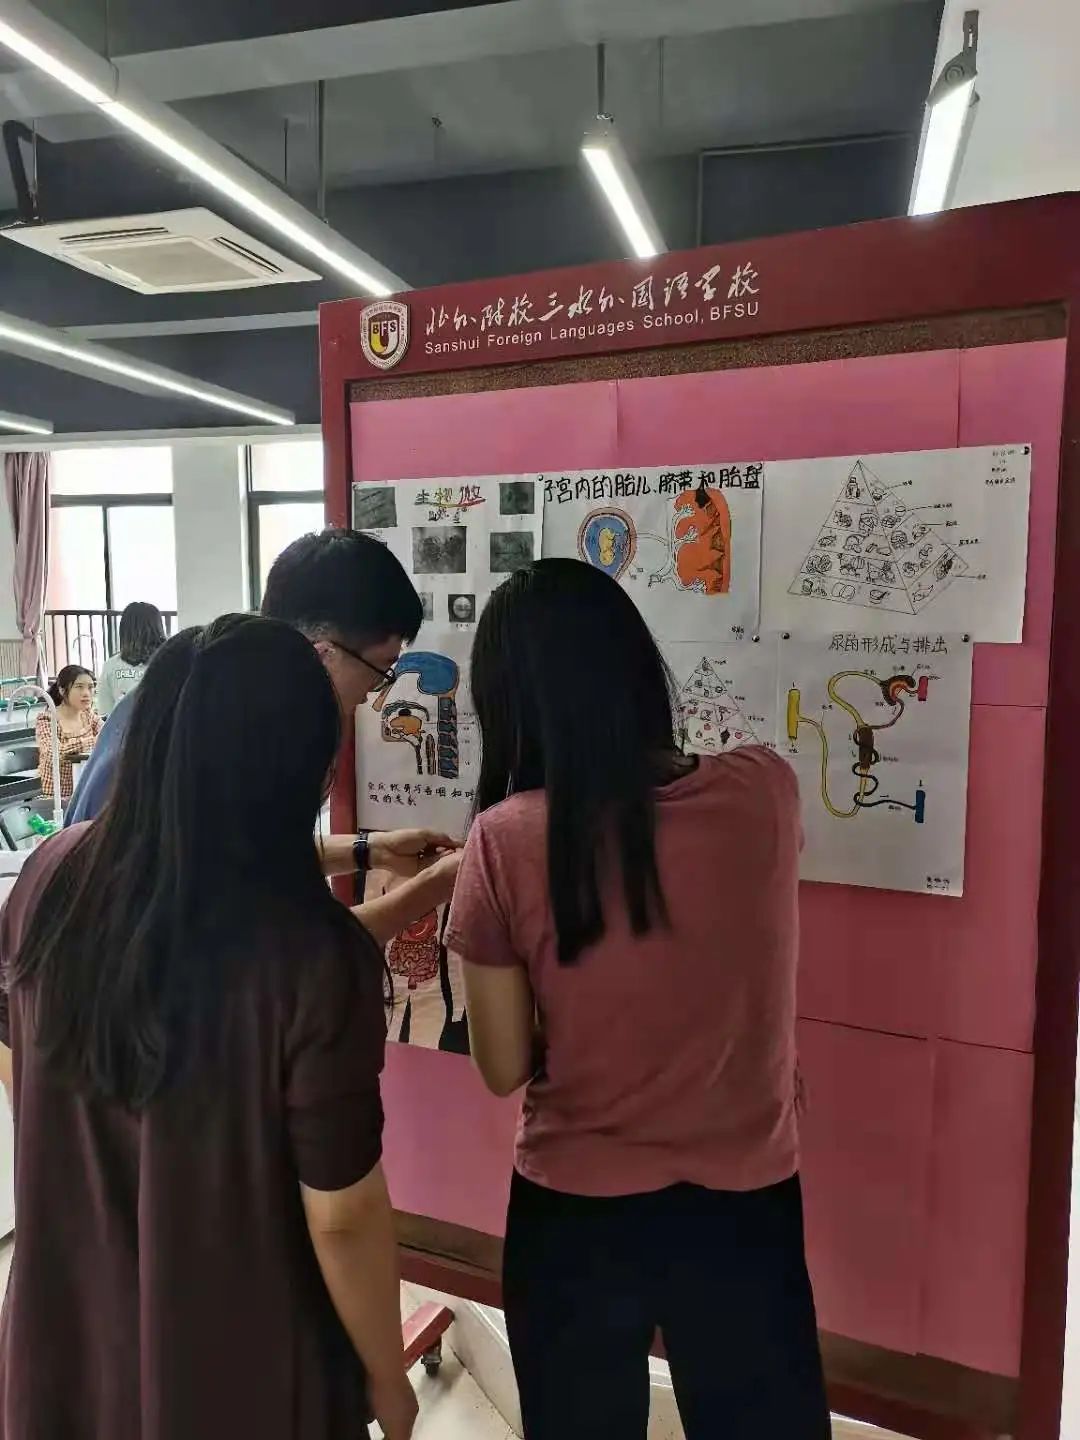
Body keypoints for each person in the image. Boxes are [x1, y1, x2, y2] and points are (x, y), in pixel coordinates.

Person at [0, 616, 427, 1440]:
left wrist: (83, 1142)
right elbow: (341, 1216)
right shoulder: (310, 954)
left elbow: (15, 1038)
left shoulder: (53, 873)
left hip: (68, 1335)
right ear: (301, 763)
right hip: (238, 1361)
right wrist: (386, 1376)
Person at [445, 559, 829, 1440]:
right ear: (635, 667)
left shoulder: (504, 840)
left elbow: (503, 1067)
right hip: (747, 1199)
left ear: (510, 703)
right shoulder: (764, 789)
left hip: (577, 1208)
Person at [65, 529, 457, 945]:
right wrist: (432, 886)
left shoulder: (209, 691)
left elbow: (238, 861)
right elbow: (277, 950)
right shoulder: (226, 732)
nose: (376, 690)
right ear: (323, 655)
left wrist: (367, 851)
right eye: (382, 668)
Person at [36, 664, 103, 803]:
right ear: (62, 690)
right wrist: (93, 741)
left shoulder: (88, 715)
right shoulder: (47, 719)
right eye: (79, 687)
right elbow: (53, 754)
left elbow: (108, 732)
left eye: (90, 687)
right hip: (55, 799)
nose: (86, 693)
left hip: (85, 792)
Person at [96, 601, 166, 716]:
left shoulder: (111, 666)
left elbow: (105, 714)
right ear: (158, 628)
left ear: (124, 630)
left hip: (125, 726)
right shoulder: (170, 662)